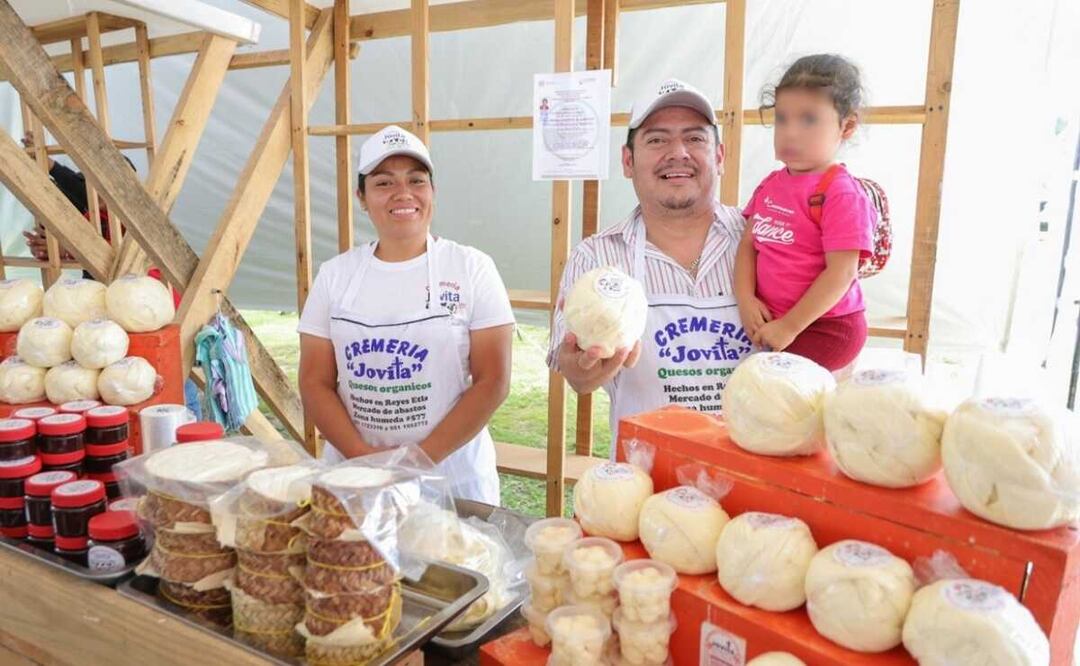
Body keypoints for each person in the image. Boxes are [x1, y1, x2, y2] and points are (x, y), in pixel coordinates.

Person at [298, 125, 514, 504]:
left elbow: (493, 380)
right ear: (361, 197)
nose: (404, 193)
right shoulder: (335, 276)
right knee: (356, 562)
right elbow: (315, 382)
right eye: (384, 183)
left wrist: (419, 459)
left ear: (432, 192)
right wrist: (365, 462)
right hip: (357, 478)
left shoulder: (471, 268)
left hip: (452, 476)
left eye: (417, 180)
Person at [548, 79, 752, 440]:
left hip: (758, 477)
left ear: (719, 157)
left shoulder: (763, 241)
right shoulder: (596, 257)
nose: (678, 153)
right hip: (646, 483)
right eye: (657, 139)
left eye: (695, 138)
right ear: (628, 162)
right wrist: (586, 366)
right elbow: (575, 377)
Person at [735, 54, 875, 372]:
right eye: (782, 119)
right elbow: (747, 246)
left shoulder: (841, 192)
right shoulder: (771, 183)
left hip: (827, 328)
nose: (790, 132)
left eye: (809, 119)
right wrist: (745, 299)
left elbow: (841, 273)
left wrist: (790, 327)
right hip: (777, 323)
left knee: (789, 408)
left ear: (847, 126)